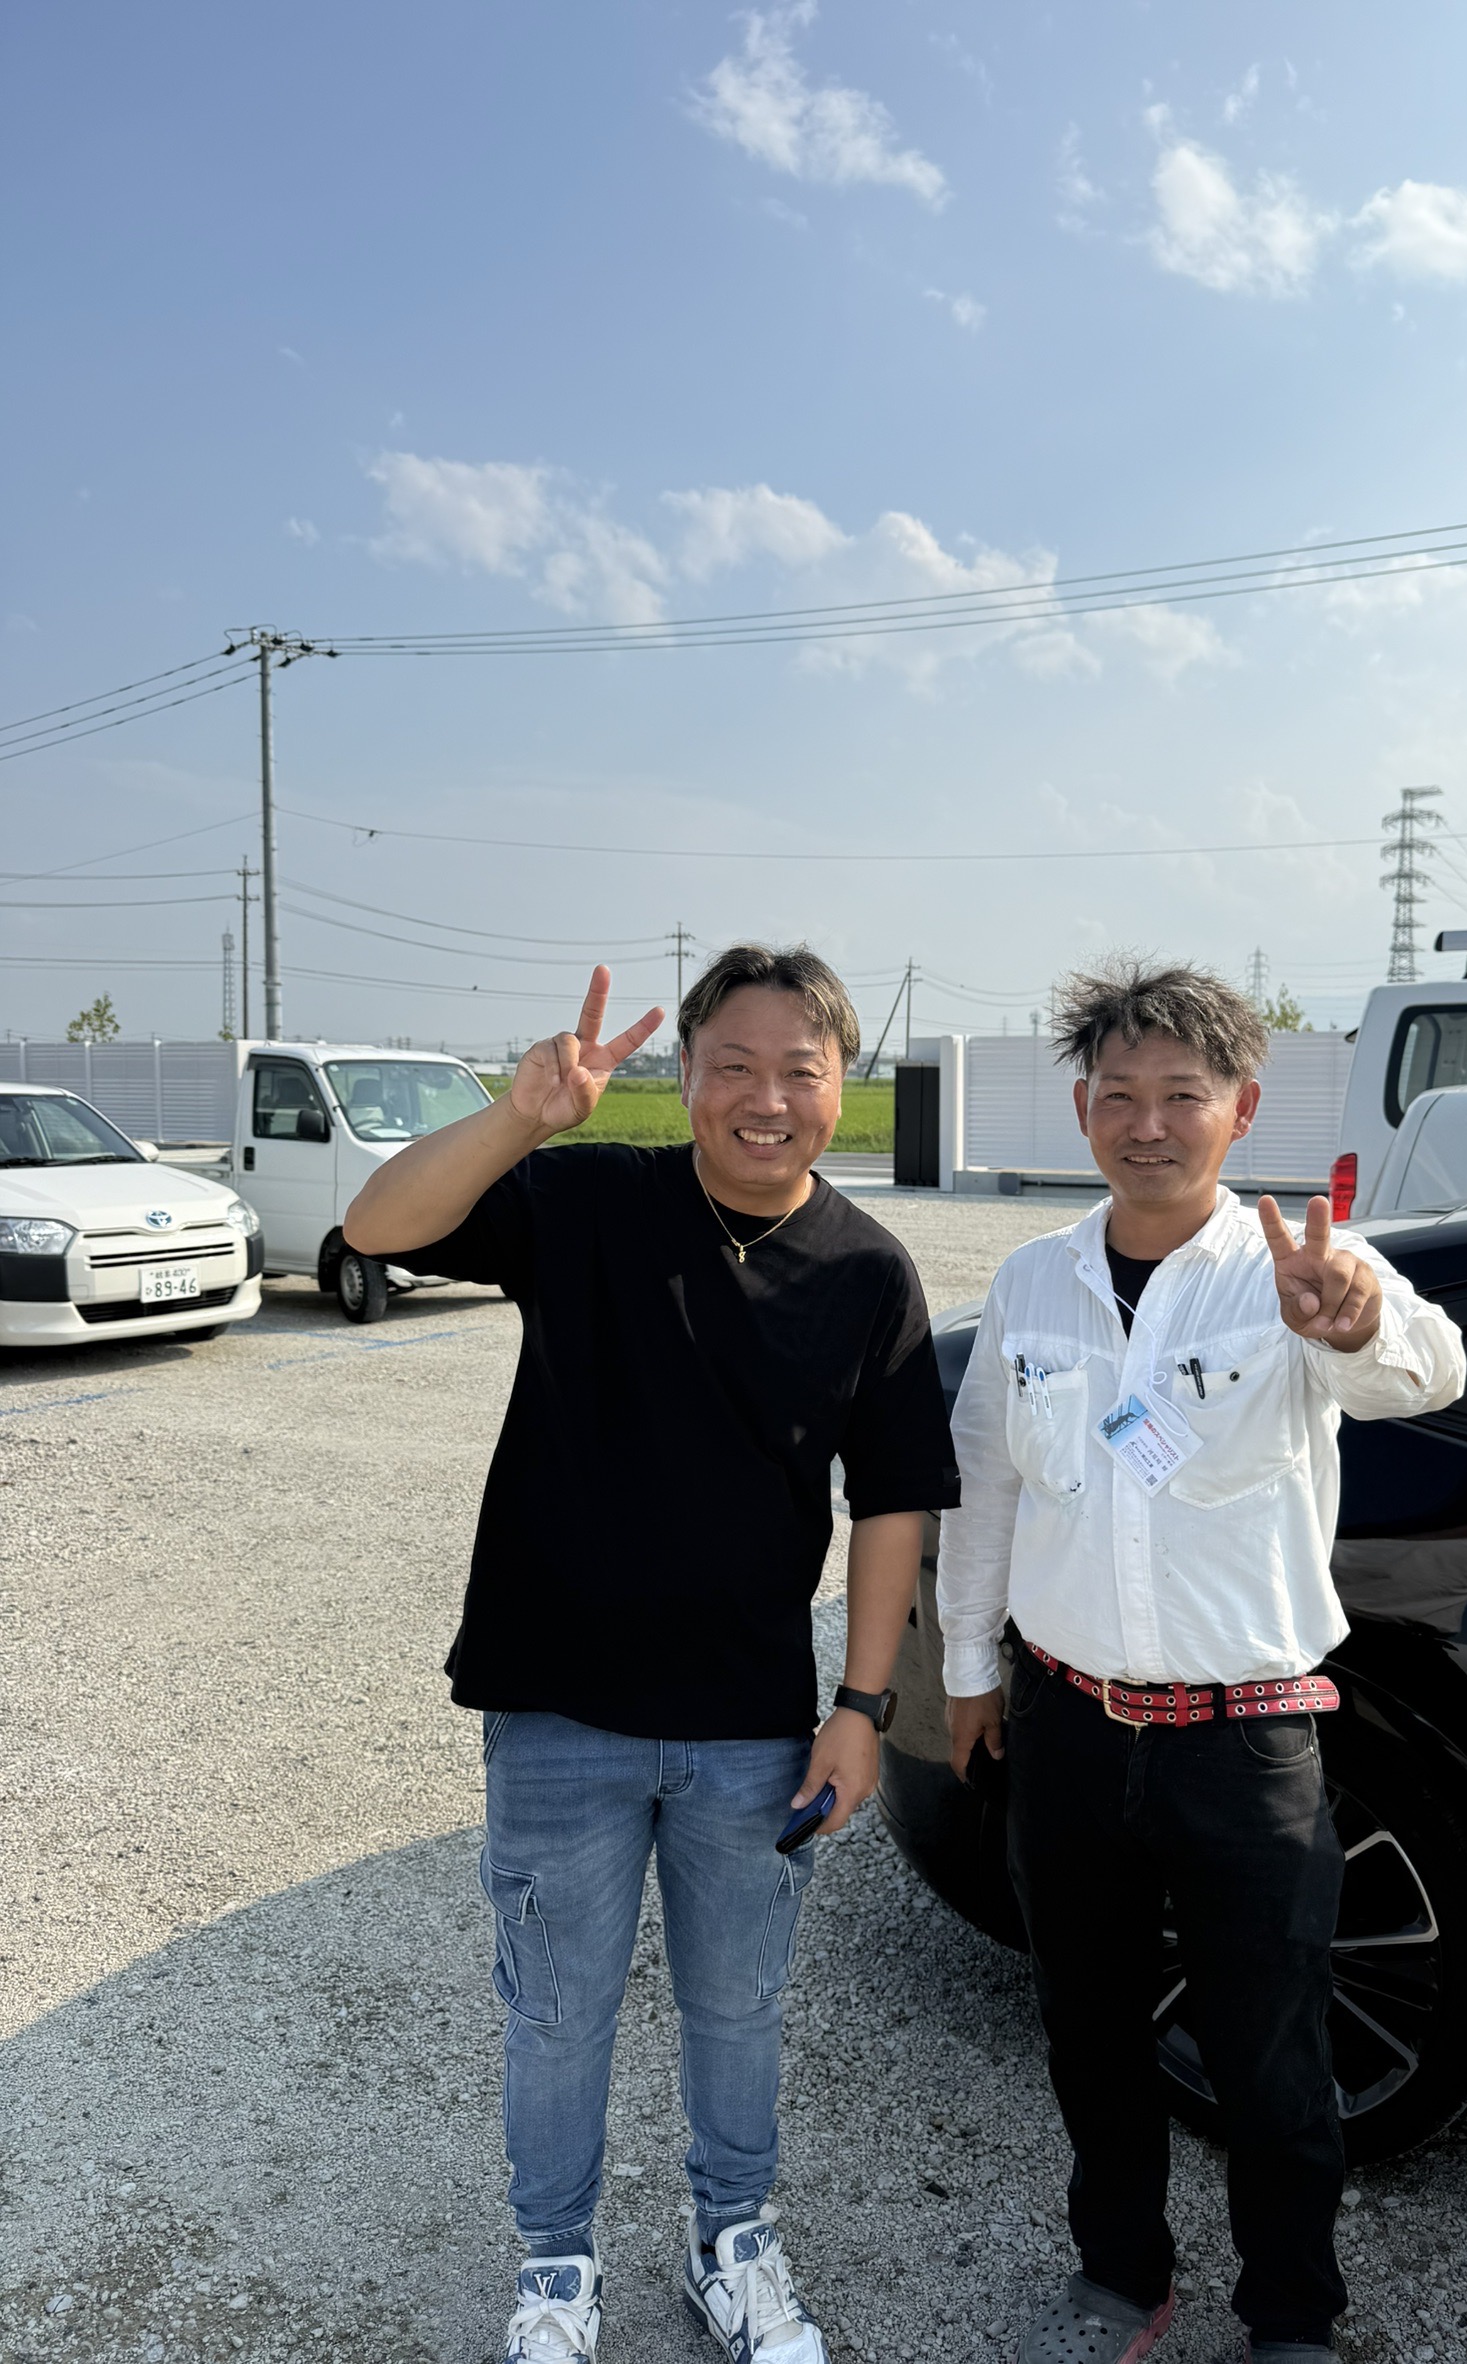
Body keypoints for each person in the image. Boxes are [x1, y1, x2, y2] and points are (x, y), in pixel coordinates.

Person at [344, 946, 958, 2364]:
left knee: (738, 2010)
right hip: (559, 1707)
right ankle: (556, 2271)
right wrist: (517, 1119)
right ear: (685, 1077)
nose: (763, 1099)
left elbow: (894, 1503)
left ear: (840, 1086)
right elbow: (378, 1227)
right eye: (730, 1066)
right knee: (557, 2016)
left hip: (754, 1724)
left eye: (797, 1071)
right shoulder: (587, 1200)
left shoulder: (869, 1270)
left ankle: (728, 2242)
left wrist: (863, 1705)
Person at [937, 960, 1466, 2364]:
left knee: (1271, 2052)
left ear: (1242, 1109)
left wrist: (1356, 1320)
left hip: (1244, 1740)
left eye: (1182, 1095)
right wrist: (971, 1669)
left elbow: (1429, 1371)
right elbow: (985, 1486)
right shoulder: (1034, 1284)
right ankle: (1121, 2278)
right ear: (1081, 1112)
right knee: (1089, 2031)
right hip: (1066, 1726)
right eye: (1118, 1095)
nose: (1148, 1124)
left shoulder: (1296, 1271)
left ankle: (1291, 2314)